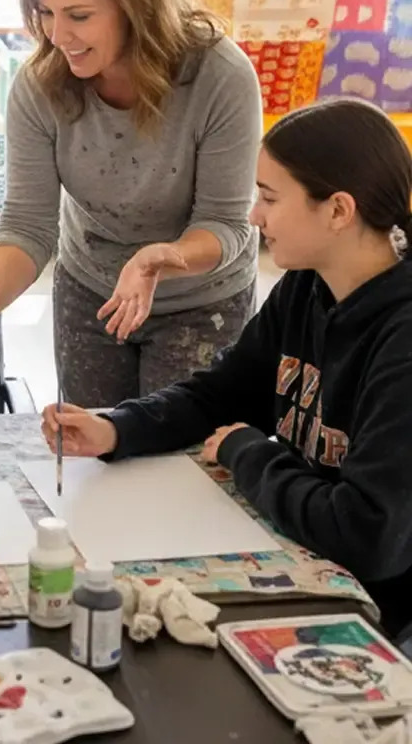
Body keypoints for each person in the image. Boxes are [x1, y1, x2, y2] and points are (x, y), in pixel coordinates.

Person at [41, 99, 412, 640]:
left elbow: (367, 533)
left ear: (337, 210)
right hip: (296, 547)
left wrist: (247, 451)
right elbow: (222, 393)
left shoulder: (401, 339)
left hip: (371, 607)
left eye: (268, 197)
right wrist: (119, 427)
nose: (255, 216)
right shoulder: (307, 286)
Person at [0, 0, 264, 407]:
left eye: (79, 16)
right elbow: (27, 222)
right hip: (91, 292)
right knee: (96, 459)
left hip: (201, 303)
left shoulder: (221, 76)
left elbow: (226, 223)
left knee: (184, 470)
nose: (56, 35)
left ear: (138, 5)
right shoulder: (39, 85)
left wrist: (162, 259)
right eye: (44, 13)